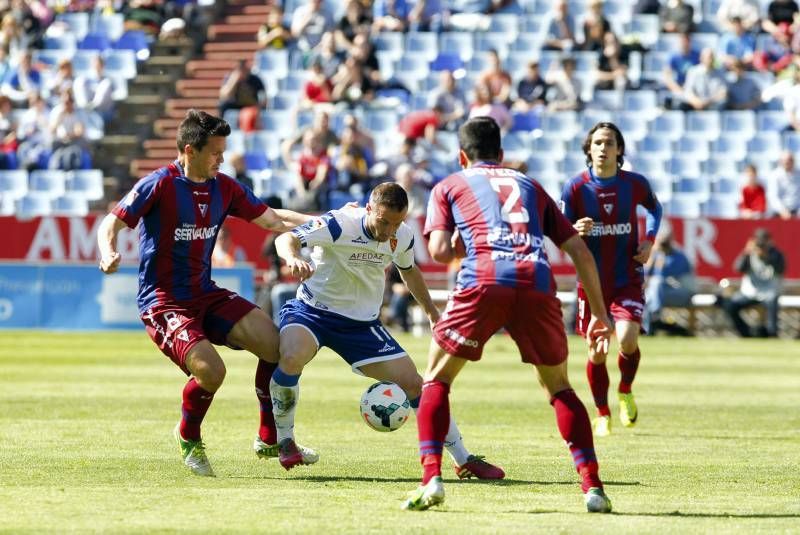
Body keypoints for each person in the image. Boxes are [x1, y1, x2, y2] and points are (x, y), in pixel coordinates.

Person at [402, 117, 614, 513]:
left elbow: (440, 252)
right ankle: (593, 488)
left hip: (484, 279)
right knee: (559, 389)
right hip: (536, 279)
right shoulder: (530, 185)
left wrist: (481, 242)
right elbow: (579, 252)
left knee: (436, 380)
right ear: (501, 155)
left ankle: (431, 478)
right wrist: (599, 314)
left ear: (462, 155)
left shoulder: (449, 184)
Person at [97, 109, 318, 478]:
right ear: (190, 150)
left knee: (277, 346)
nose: (222, 159)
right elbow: (113, 221)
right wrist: (108, 251)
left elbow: (273, 219)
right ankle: (189, 435)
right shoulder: (160, 184)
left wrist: (327, 221)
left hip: (204, 292)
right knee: (212, 372)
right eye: (215, 152)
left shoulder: (224, 187)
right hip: (164, 300)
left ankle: (269, 436)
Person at [271, 182, 505, 480]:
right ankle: (285, 440)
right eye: (383, 222)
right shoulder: (340, 224)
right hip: (313, 311)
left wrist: (433, 314)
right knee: (292, 356)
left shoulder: (401, 236)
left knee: (416, 384)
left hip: (361, 325)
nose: (388, 232)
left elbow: (409, 272)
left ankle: (463, 458)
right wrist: (293, 257)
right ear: (369, 209)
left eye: (396, 223)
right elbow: (287, 238)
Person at [561, 122, 662, 438]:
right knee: (597, 351)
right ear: (589, 149)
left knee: (628, 338)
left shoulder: (634, 184)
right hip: (591, 284)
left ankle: (625, 389)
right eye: (598, 143)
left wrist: (648, 240)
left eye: (610, 143)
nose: (603, 148)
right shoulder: (575, 188)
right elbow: (561, 227)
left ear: (619, 149)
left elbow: (655, 209)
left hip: (626, 277)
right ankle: (601, 413)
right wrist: (575, 229)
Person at [721, 228, 786, 337]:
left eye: (764, 240)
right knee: (730, 305)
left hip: (768, 291)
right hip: (750, 292)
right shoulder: (749, 254)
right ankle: (745, 332)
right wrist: (746, 253)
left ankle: (772, 334)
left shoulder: (776, 254)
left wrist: (767, 257)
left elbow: (781, 269)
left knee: (773, 301)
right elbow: (738, 268)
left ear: (769, 241)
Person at [642, 231, 695, 336]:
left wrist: (660, 261)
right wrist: (652, 259)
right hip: (662, 294)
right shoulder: (656, 255)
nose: (663, 247)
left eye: (664, 243)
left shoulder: (679, 256)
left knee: (656, 284)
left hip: (681, 292)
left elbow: (666, 277)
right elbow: (645, 275)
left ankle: (654, 317)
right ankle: (651, 327)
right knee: (649, 296)